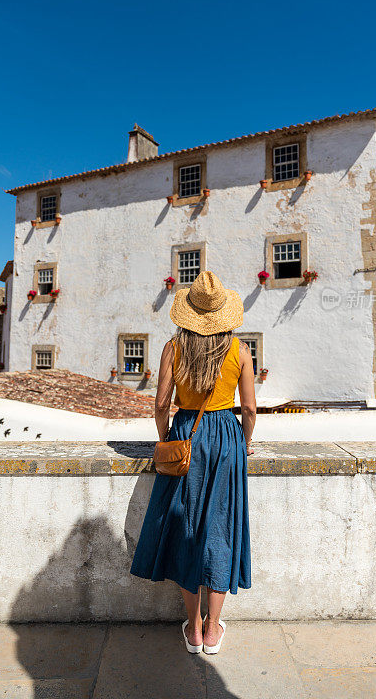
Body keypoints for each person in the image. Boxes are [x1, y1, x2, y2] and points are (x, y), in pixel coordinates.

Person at [130, 270, 256, 655]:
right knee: (221, 528)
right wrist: (243, 443)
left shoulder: (173, 347)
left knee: (186, 527)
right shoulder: (239, 350)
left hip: (187, 432)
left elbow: (159, 405)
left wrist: (166, 437)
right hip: (225, 440)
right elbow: (249, 408)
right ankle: (213, 628)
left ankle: (193, 630)